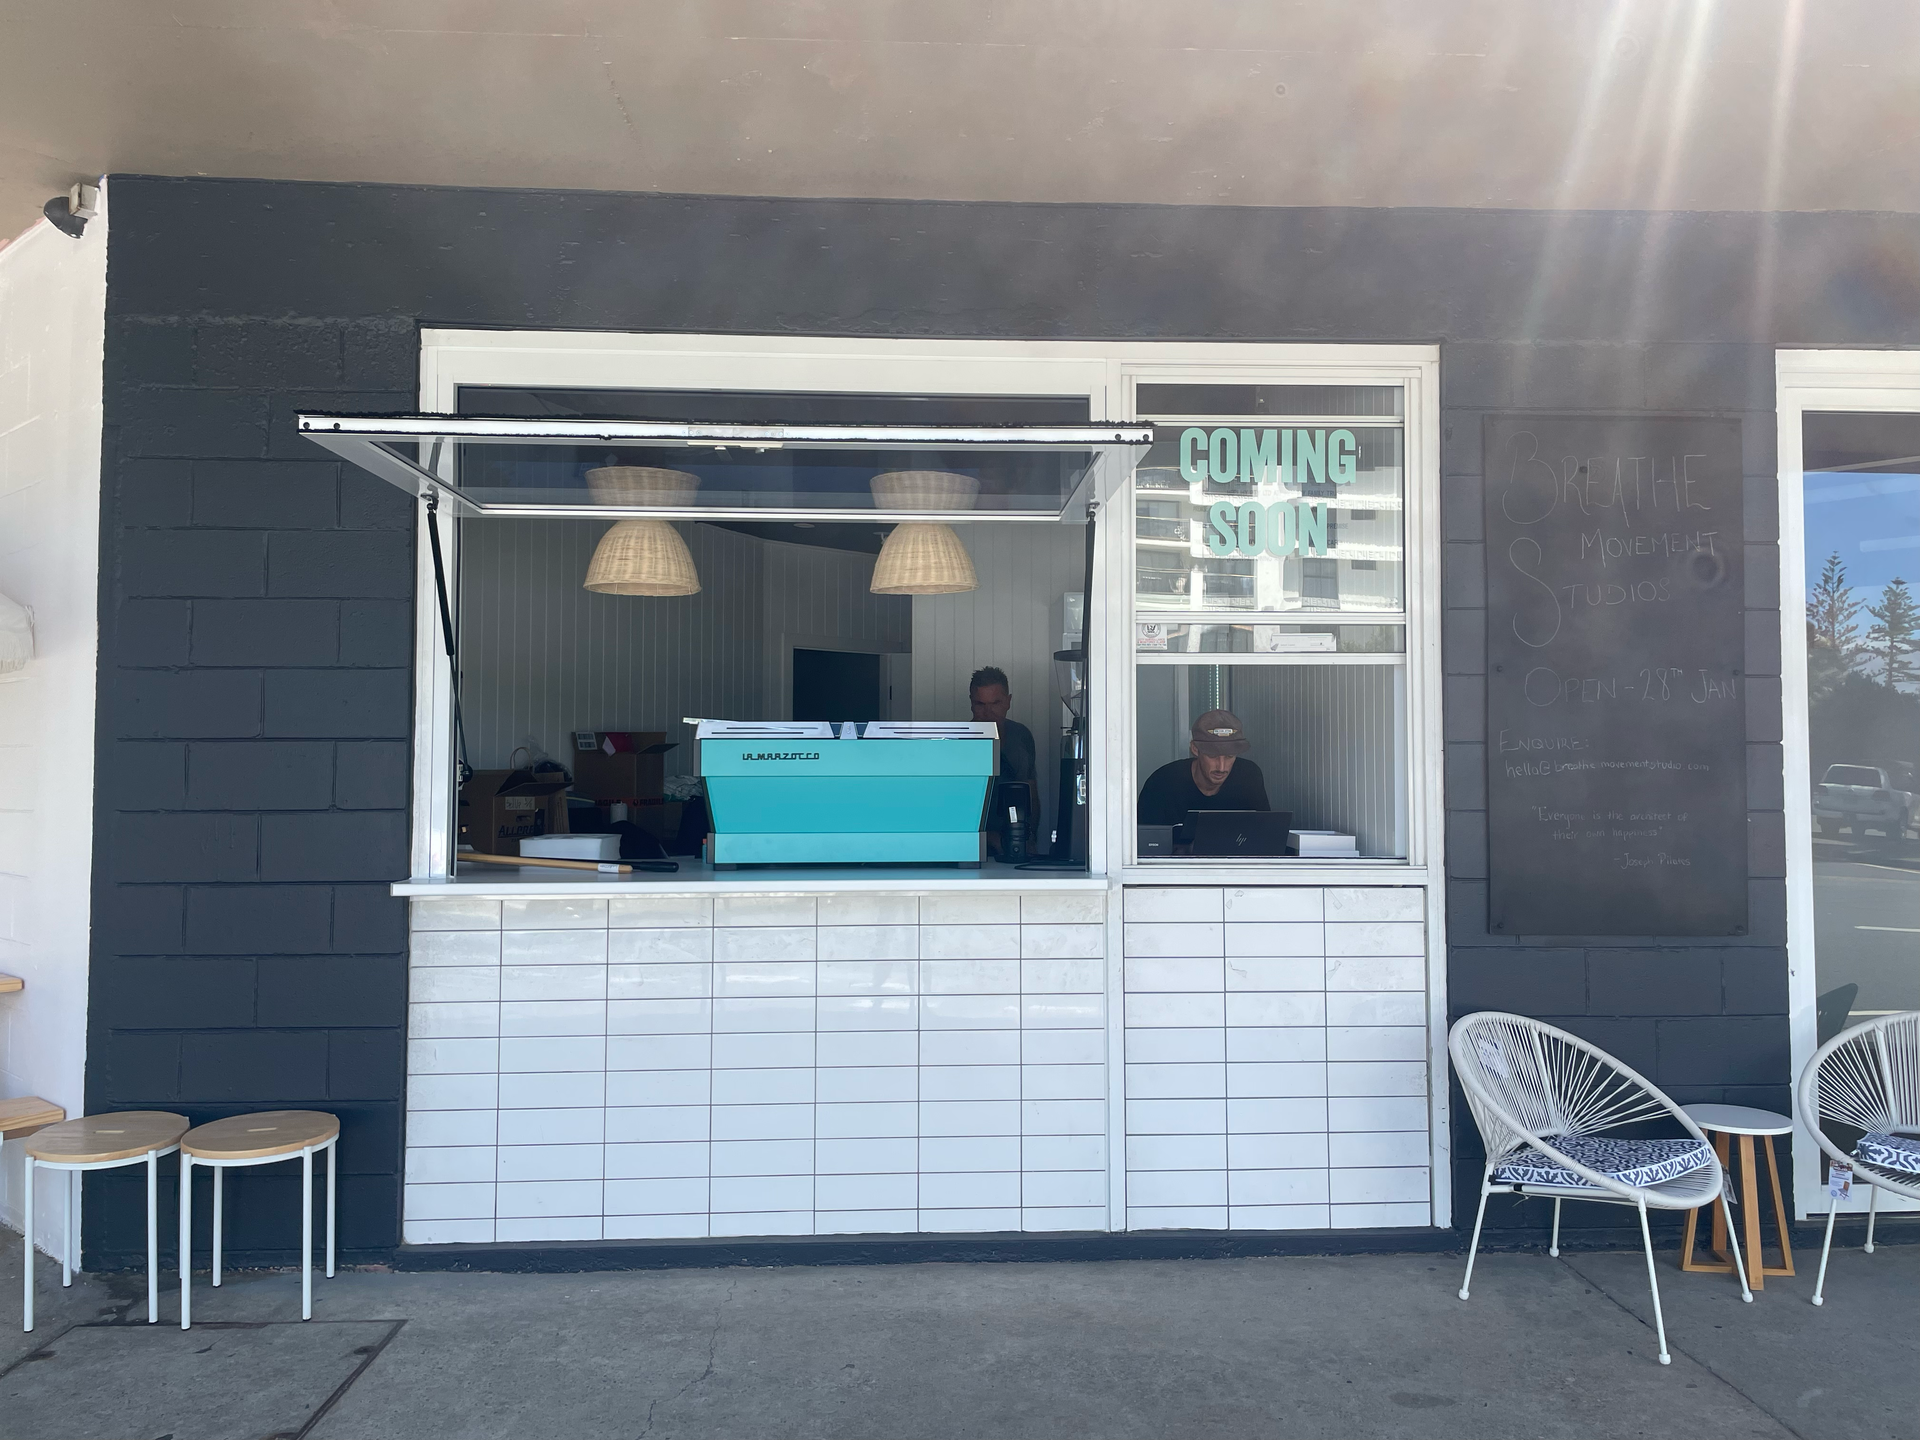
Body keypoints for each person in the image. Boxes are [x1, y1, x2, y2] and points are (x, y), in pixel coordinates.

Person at [1137, 709, 1270, 828]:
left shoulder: (1249, 776)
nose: (1221, 767)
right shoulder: (1163, 782)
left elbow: (1265, 834)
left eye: (1230, 756)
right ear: (1195, 749)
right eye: (1212, 755)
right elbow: (1145, 842)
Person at [968, 665, 1040, 849]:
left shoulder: (1021, 735)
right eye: (980, 704)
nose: (988, 712)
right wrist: (989, 837)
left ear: (1008, 701)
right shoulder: (961, 742)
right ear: (971, 703)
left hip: (1015, 841)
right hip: (971, 843)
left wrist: (1030, 837)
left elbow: (1030, 791)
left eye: (996, 703)